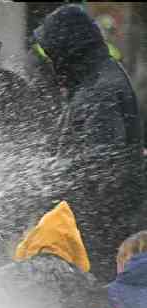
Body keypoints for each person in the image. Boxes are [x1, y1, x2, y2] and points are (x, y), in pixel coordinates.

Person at [37, 5, 144, 282]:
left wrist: (49, 176)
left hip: (102, 234)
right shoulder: (90, 82)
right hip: (97, 226)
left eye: (53, 54)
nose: (49, 61)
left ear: (69, 51)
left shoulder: (100, 91)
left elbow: (102, 166)